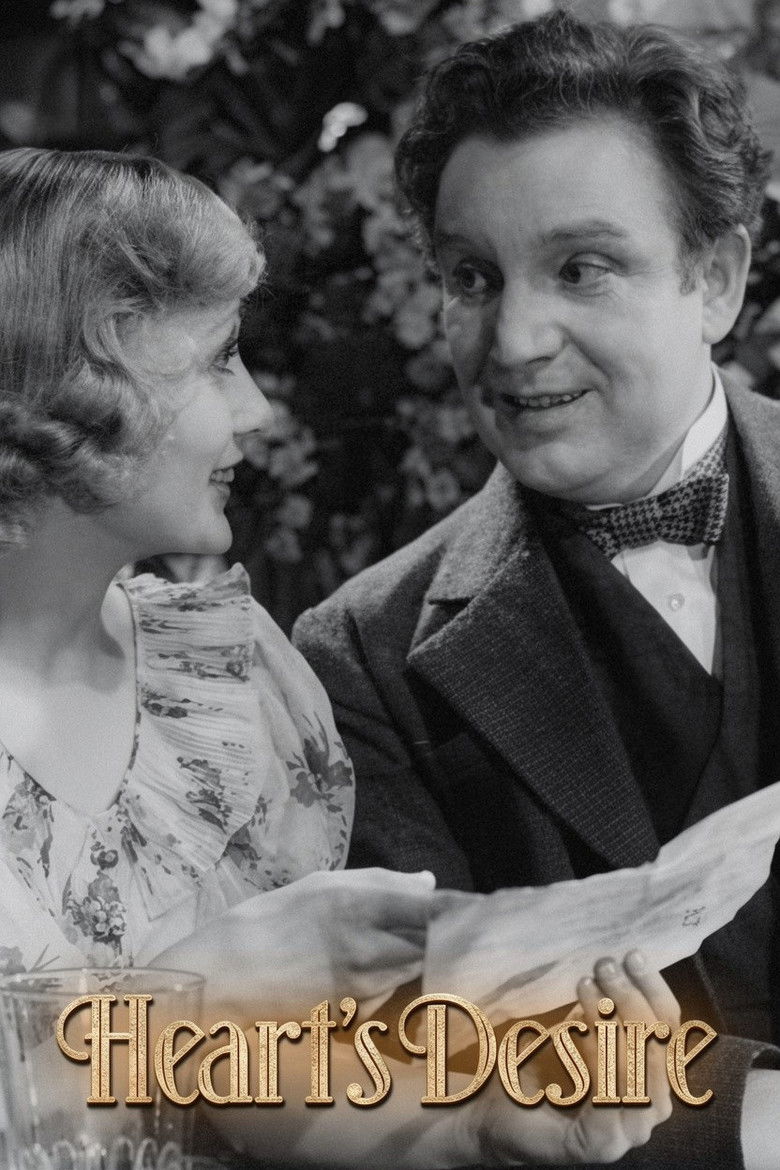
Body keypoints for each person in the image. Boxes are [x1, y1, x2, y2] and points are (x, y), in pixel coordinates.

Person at [0, 146, 677, 1168]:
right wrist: (198, 994)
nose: (257, 411)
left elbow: (261, 1089)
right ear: (78, 383)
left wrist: (484, 1120)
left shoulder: (227, 681)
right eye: (219, 360)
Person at [293, 11, 780, 1169]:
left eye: (581, 268)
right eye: (473, 277)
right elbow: (429, 1049)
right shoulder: (358, 656)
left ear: (715, 280)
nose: (513, 340)